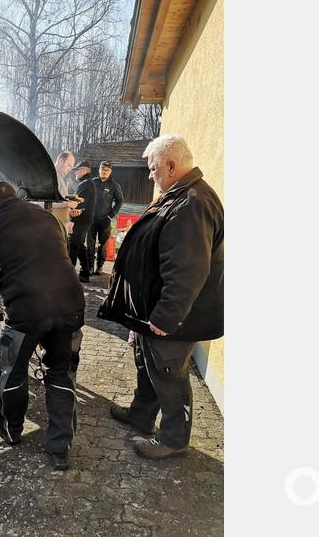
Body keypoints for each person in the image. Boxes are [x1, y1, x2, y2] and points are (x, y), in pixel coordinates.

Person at [97, 134, 223, 460]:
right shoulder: (176, 195)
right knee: (148, 365)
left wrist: (165, 318)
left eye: (153, 169)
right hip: (152, 311)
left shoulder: (192, 203)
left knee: (169, 374)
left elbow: (187, 271)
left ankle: (173, 439)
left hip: (174, 317)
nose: (149, 175)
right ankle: (141, 414)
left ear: (171, 165)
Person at [0, 181, 86, 471]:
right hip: (70, 305)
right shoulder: (49, 217)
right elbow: (61, 254)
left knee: (13, 371)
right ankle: (60, 448)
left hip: (26, 310)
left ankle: (11, 430)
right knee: (62, 373)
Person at [86, 161, 124, 275]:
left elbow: (120, 201)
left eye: (107, 170)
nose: (104, 171)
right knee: (90, 244)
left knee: (103, 244)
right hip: (91, 219)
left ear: (110, 171)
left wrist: (111, 215)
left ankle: (100, 266)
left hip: (105, 220)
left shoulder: (114, 185)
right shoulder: (92, 183)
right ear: (99, 170)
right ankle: (90, 266)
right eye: (103, 169)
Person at [48, 151, 90, 232]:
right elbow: (45, 203)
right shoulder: (50, 176)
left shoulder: (60, 177)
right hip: (52, 227)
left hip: (61, 226)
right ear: (60, 161)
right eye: (69, 166)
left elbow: (59, 200)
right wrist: (68, 204)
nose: (69, 170)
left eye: (71, 168)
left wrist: (70, 211)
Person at [68, 163, 96, 283]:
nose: (75, 173)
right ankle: (85, 272)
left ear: (84, 170)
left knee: (73, 245)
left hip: (80, 220)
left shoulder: (86, 184)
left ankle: (68, 276)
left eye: (77, 170)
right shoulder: (88, 183)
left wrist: (71, 220)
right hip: (85, 220)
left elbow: (79, 204)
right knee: (80, 246)